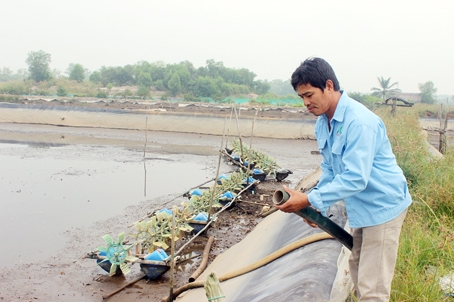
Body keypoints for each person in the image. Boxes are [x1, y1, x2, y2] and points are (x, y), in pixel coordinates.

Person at [275, 57, 412, 301]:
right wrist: (317, 204)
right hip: (361, 207)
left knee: (373, 289)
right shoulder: (323, 123)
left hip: (382, 207)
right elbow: (330, 169)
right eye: (301, 98)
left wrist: (308, 198)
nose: (306, 103)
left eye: (309, 95)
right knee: (359, 272)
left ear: (328, 85)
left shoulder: (359, 122)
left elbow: (356, 179)